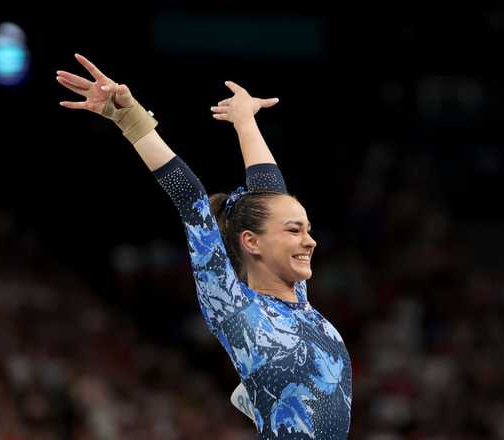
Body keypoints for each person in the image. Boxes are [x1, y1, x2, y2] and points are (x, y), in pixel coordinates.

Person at [56, 53, 352, 439]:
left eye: (307, 229)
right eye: (295, 231)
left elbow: (270, 194)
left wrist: (245, 120)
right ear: (252, 243)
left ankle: (252, 393)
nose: (309, 240)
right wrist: (130, 118)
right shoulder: (235, 307)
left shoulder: (296, 295)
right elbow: (190, 199)